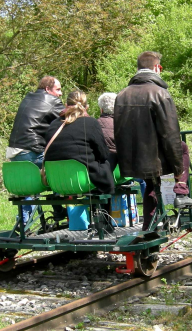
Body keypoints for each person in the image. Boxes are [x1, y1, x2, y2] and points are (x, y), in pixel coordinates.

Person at [114, 51, 192, 231]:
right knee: (182, 148)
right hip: (155, 157)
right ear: (156, 68)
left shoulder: (122, 95)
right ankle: (181, 192)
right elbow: (170, 134)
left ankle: (148, 227)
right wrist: (177, 169)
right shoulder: (161, 94)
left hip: (132, 158)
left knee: (151, 184)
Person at [7, 76, 64, 224]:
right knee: (59, 170)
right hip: (31, 151)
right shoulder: (52, 101)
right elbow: (71, 119)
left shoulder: (28, 98)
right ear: (47, 89)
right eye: (58, 89)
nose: (60, 93)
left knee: (30, 188)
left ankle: (23, 223)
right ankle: (59, 212)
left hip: (14, 152)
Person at [44, 90, 115, 195]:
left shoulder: (54, 124)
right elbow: (103, 154)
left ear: (66, 105)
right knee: (105, 165)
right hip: (81, 179)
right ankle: (104, 209)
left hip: (56, 181)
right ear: (86, 107)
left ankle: (60, 211)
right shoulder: (91, 123)